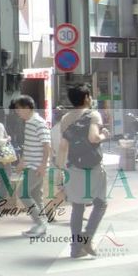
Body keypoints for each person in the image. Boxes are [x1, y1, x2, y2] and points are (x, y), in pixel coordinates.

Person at [58, 84, 110, 259]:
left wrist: (60, 170)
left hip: (73, 166)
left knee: (78, 207)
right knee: (101, 203)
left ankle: (75, 248)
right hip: (93, 166)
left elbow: (63, 146)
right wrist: (105, 136)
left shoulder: (65, 118)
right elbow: (93, 138)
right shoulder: (93, 114)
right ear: (87, 97)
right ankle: (87, 237)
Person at [12, 95, 51, 237]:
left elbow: (46, 146)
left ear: (28, 108)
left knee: (23, 193)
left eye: (19, 108)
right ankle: (41, 224)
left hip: (36, 166)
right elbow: (29, 147)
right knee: (35, 195)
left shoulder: (38, 123)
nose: (17, 111)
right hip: (32, 165)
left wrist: (42, 165)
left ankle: (40, 223)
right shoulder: (29, 122)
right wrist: (22, 162)